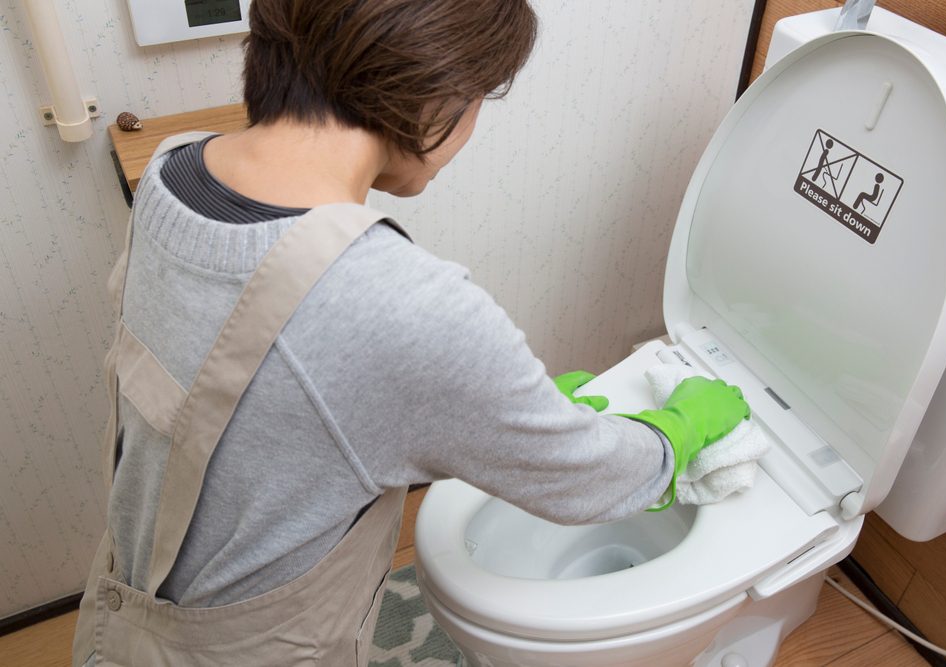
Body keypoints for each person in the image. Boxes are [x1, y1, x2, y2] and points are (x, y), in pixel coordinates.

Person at [72, 1, 749, 665]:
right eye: (481, 97)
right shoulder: (397, 303)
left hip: (124, 626)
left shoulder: (171, 171)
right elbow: (583, 479)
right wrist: (675, 433)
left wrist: (511, 410)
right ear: (442, 93)